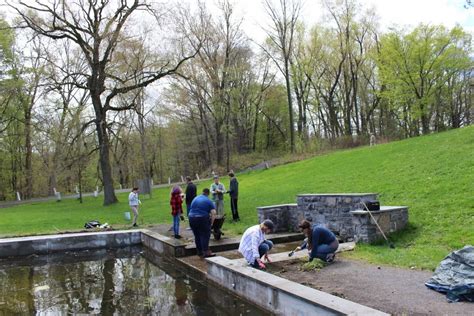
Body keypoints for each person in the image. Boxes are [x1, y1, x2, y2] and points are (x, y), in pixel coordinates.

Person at [188, 188, 217, 258]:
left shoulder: (195, 198)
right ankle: (206, 252)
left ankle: (199, 251)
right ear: (208, 194)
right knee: (205, 235)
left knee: (197, 235)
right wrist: (212, 223)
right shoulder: (209, 201)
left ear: (202, 192)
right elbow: (214, 213)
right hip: (201, 218)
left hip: (191, 217)